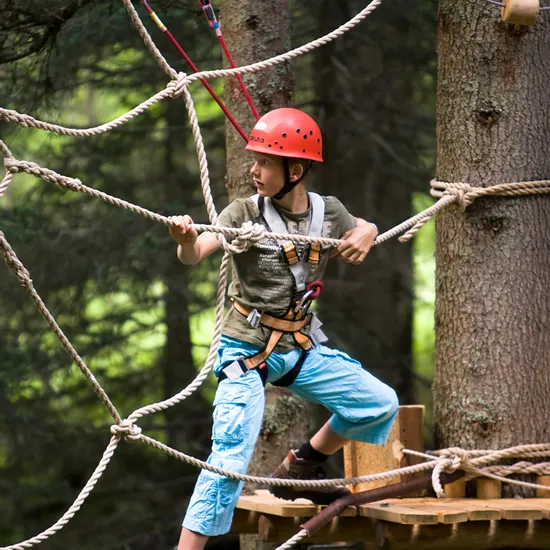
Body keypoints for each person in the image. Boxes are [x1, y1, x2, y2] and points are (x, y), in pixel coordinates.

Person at [169, 108, 399, 550]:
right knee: (230, 456)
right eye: (254, 160)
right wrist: (184, 241)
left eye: (265, 163)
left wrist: (368, 229)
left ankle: (300, 469)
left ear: (296, 171)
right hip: (246, 348)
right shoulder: (242, 213)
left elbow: (361, 230)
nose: (253, 171)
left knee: (378, 403)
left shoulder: (329, 214)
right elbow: (198, 251)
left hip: (299, 346)